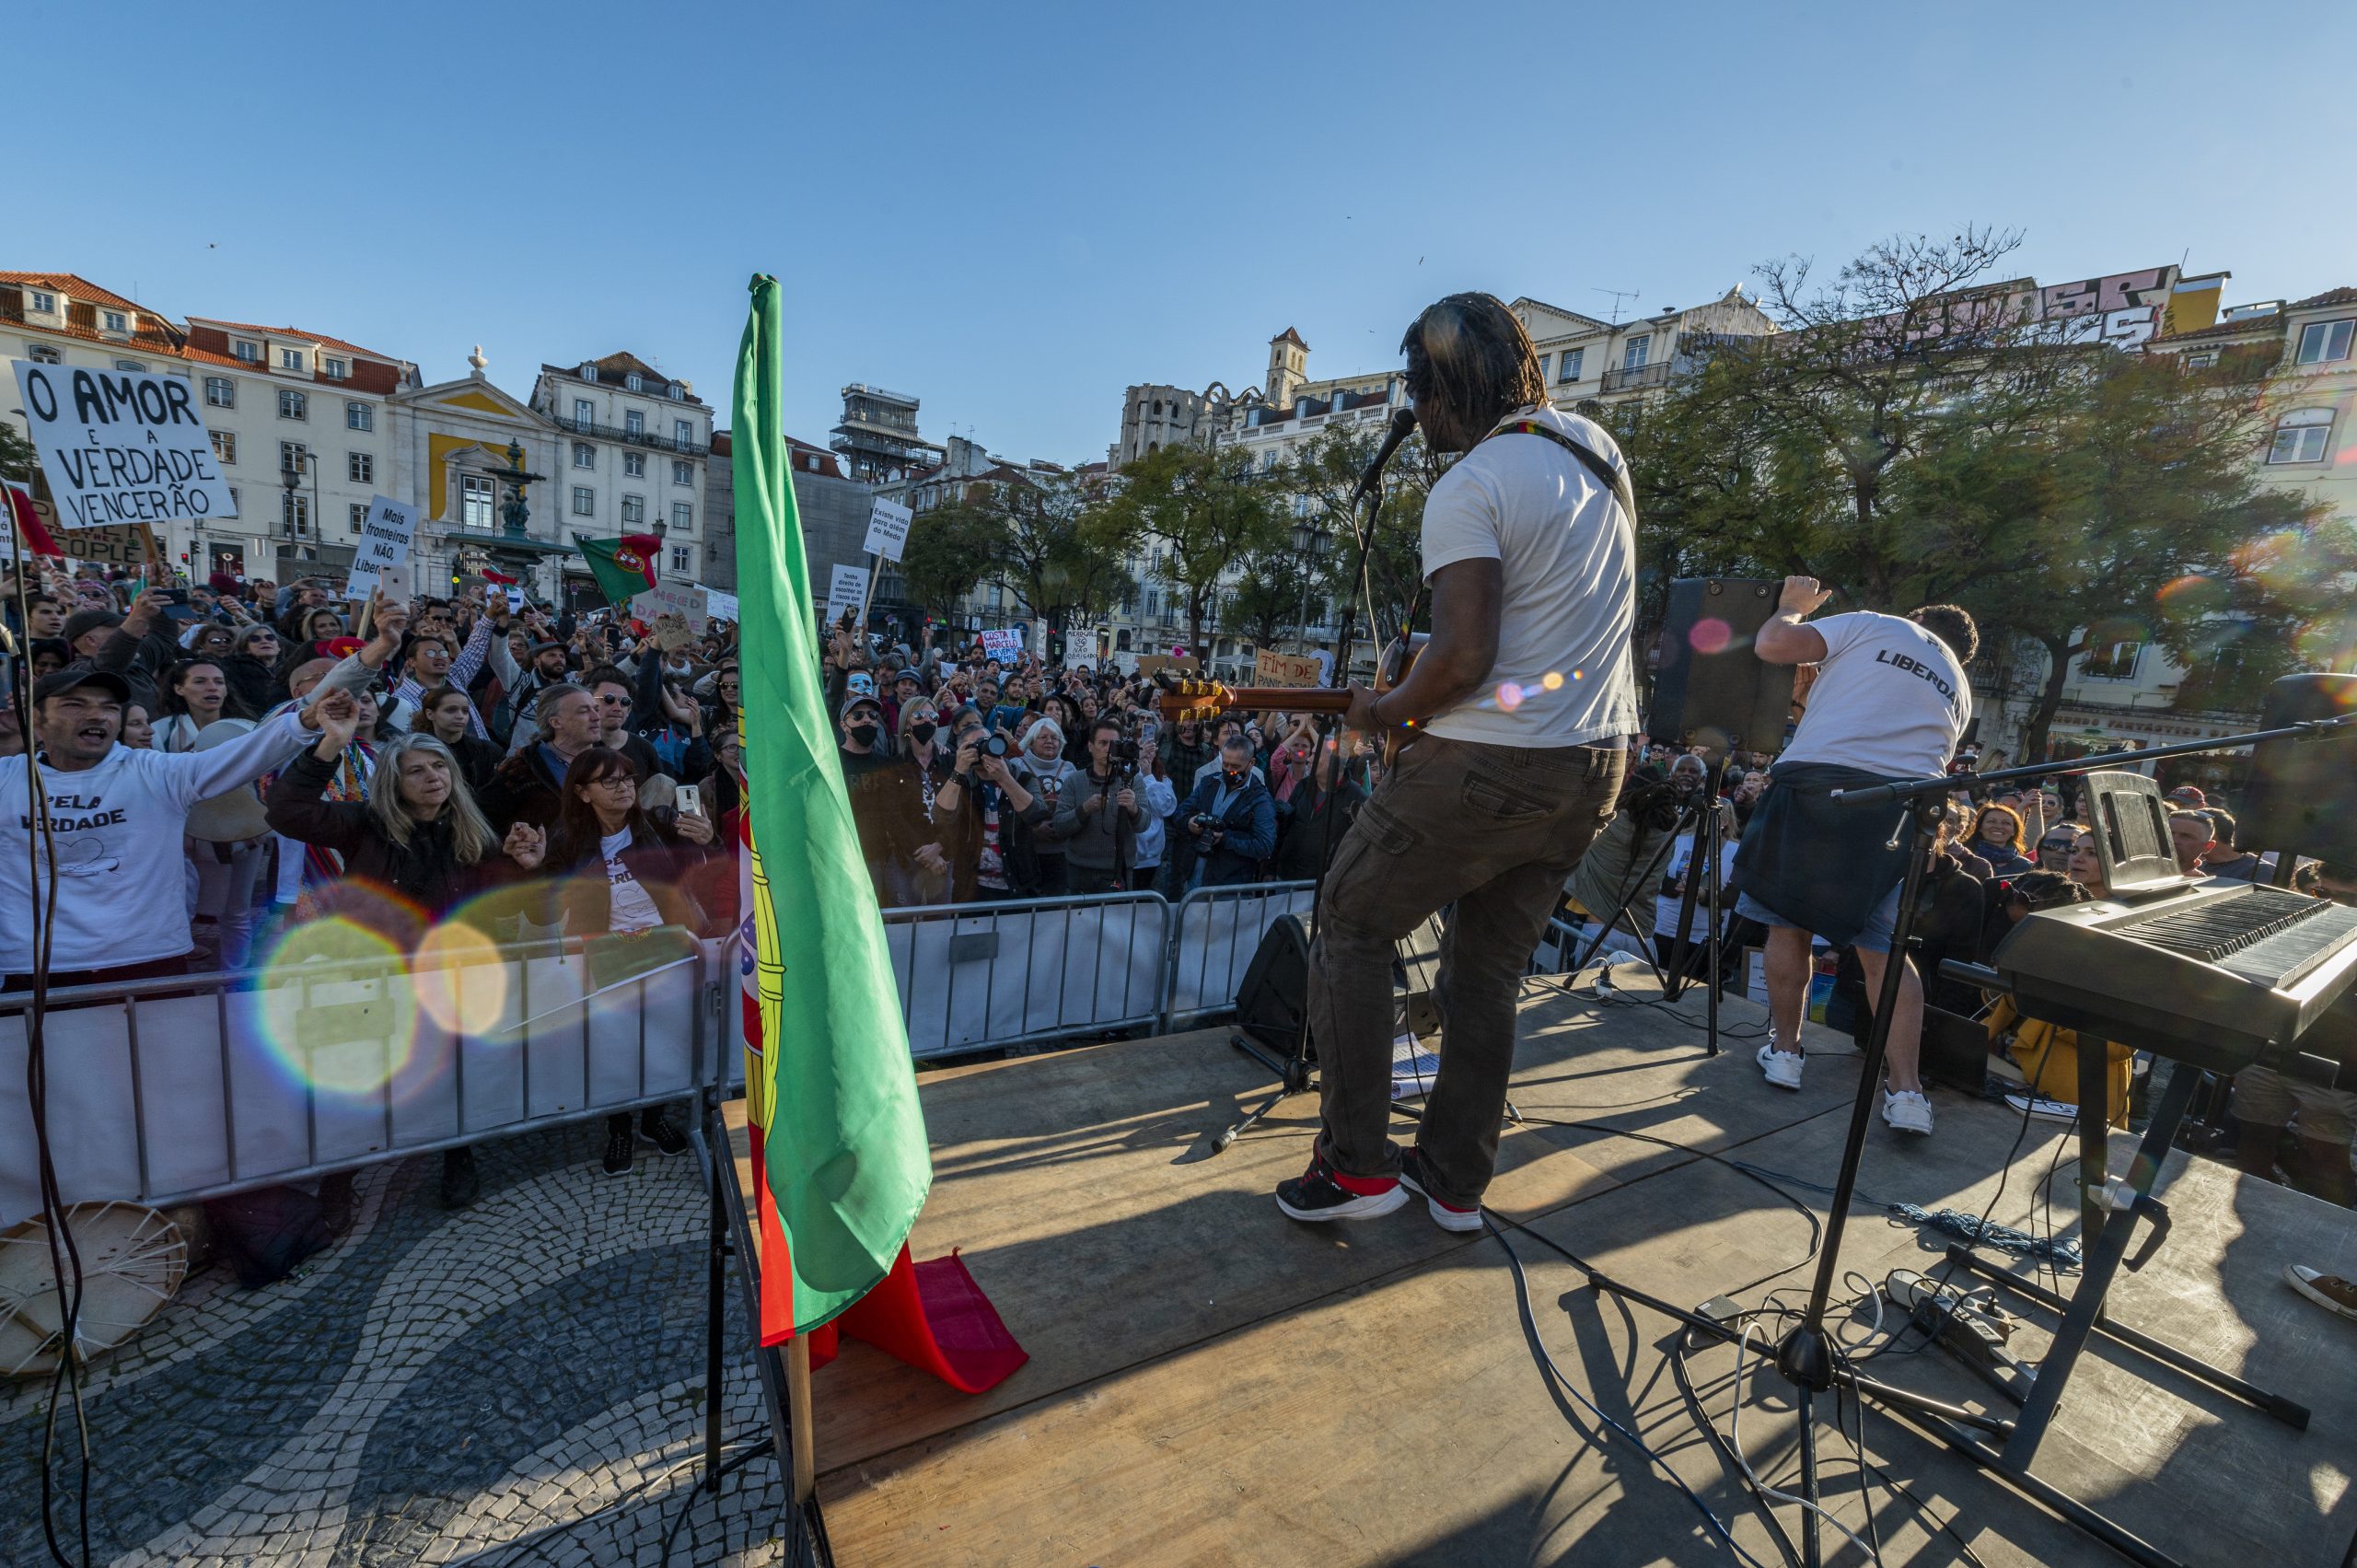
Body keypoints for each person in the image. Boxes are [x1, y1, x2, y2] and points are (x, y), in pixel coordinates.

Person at [1276, 293, 1634, 1230]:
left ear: (1443, 389)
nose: (1413, 410)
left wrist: (1385, 709)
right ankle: (1453, 1179)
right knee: (1486, 973)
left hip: (1493, 762)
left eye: (1415, 389)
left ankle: (1356, 1167)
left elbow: (1465, 656)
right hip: (1594, 765)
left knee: (1351, 920)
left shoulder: (1471, 483)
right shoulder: (1596, 452)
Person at [265, 713, 540, 1208]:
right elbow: (286, 812)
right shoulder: (362, 825)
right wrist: (328, 746)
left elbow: (497, 904)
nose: (433, 776)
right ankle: (340, 1176)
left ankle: (458, 1158)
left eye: (440, 766)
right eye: (417, 770)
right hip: (376, 975)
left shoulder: (473, 833)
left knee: (448, 1072)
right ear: (394, 780)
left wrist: (521, 868)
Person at [1736, 575, 1978, 1138]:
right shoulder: (1960, 687)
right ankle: (1908, 1092)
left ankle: (1788, 1052)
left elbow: (1773, 646)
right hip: (1899, 810)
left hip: (1821, 787)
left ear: (1915, 618)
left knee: (1787, 923)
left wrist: (1793, 608)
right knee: (1884, 953)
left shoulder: (1879, 626)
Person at [1, 668, 337, 988]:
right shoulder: (6, 778)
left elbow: (248, 752)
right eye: (74, 705)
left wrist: (309, 718)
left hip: (149, 958)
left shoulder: (155, 772)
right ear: (37, 721)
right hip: (31, 966)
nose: (97, 715)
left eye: (109, 707)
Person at [505, 747, 712, 1176]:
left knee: (665, 1036)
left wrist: (707, 839)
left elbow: (704, 871)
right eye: (610, 781)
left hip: (666, 949)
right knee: (612, 1045)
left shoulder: (658, 822)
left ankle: (655, 1119)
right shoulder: (562, 840)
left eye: (628, 778)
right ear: (583, 793)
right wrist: (534, 870)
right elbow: (542, 911)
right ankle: (618, 1128)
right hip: (604, 955)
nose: (624, 788)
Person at [932, 707, 1048, 902]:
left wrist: (1004, 778)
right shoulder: (961, 783)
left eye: (984, 743)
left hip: (1018, 885)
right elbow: (940, 816)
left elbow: (1037, 816)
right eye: (972, 746)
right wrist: (959, 771)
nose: (981, 750)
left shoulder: (1021, 777)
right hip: (970, 887)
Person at [480, 683, 603, 835]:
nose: (596, 717)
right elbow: (483, 823)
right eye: (584, 711)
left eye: (596, 710)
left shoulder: (611, 763)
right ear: (556, 722)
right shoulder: (520, 770)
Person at [1053, 717, 1144, 895]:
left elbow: (1143, 824)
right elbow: (1059, 826)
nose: (1108, 749)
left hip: (1118, 871)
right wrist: (1085, 809)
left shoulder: (1133, 780)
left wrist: (1133, 809)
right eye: (1102, 743)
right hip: (1080, 870)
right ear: (1090, 746)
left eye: (1113, 744)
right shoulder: (1074, 780)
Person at [1271, 737, 1367, 883]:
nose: (1309, 759)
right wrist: (1270, 868)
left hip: (1324, 884)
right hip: (1286, 877)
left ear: (1333, 761)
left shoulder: (1356, 798)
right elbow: (1284, 828)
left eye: (1315, 755)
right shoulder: (1303, 787)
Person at [1008, 717, 1078, 895]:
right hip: (1027, 853)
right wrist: (1033, 829)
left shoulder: (1070, 768)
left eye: (1054, 738)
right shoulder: (1017, 766)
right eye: (1043, 737)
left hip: (1062, 854)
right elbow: (1008, 810)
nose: (1049, 741)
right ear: (1031, 741)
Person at [1969, 802, 2032, 878]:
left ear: (2014, 831)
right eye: (1992, 821)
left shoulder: (2026, 867)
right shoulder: (1965, 859)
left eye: (2006, 823)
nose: (1998, 826)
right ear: (1980, 827)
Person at [2165, 807, 2215, 877]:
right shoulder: (2144, 872)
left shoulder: (2200, 884)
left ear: (2208, 847)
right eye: (2170, 833)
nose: (2174, 840)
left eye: (2186, 836)